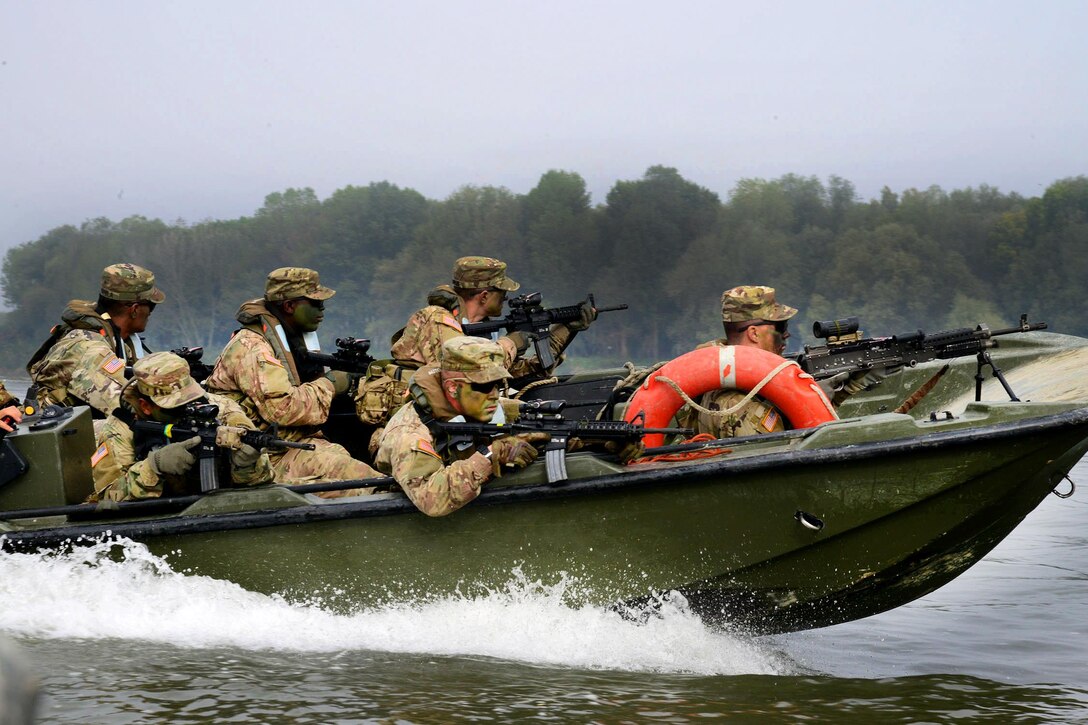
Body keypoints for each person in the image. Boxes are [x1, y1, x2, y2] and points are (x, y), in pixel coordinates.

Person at [204, 267, 382, 492]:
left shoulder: (291, 340)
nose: (322, 309)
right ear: (289, 306)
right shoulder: (253, 347)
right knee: (367, 484)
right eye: (315, 303)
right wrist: (331, 384)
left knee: (362, 465)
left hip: (294, 444)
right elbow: (282, 410)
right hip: (267, 455)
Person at [375, 336, 548, 517]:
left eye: (498, 384)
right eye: (486, 385)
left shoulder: (476, 402)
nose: (494, 394)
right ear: (452, 388)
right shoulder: (408, 433)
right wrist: (490, 455)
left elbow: (522, 416)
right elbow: (431, 499)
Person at [90, 352, 273, 502]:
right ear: (145, 406)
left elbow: (263, 481)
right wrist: (153, 466)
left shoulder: (223, 410)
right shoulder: (121, 429)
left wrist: (248, 464)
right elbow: (108, 498)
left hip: (224, 508)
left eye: (191, 400)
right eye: (175, 407)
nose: (186, 410)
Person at [390, 256, 596, 378]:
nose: (506, 297)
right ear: (484, 296)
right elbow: (466, 372)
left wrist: (565, 330)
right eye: (502, 291)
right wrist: (512, 342)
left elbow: (521, 373)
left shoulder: (485, 332)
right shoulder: (435, 318)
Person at [27, 263, 164, 419]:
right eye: (151, 306)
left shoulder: (118, 339)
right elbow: (128, 407)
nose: (151, 313)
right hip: (51, 431)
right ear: (134, 309)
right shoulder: (89, 348)